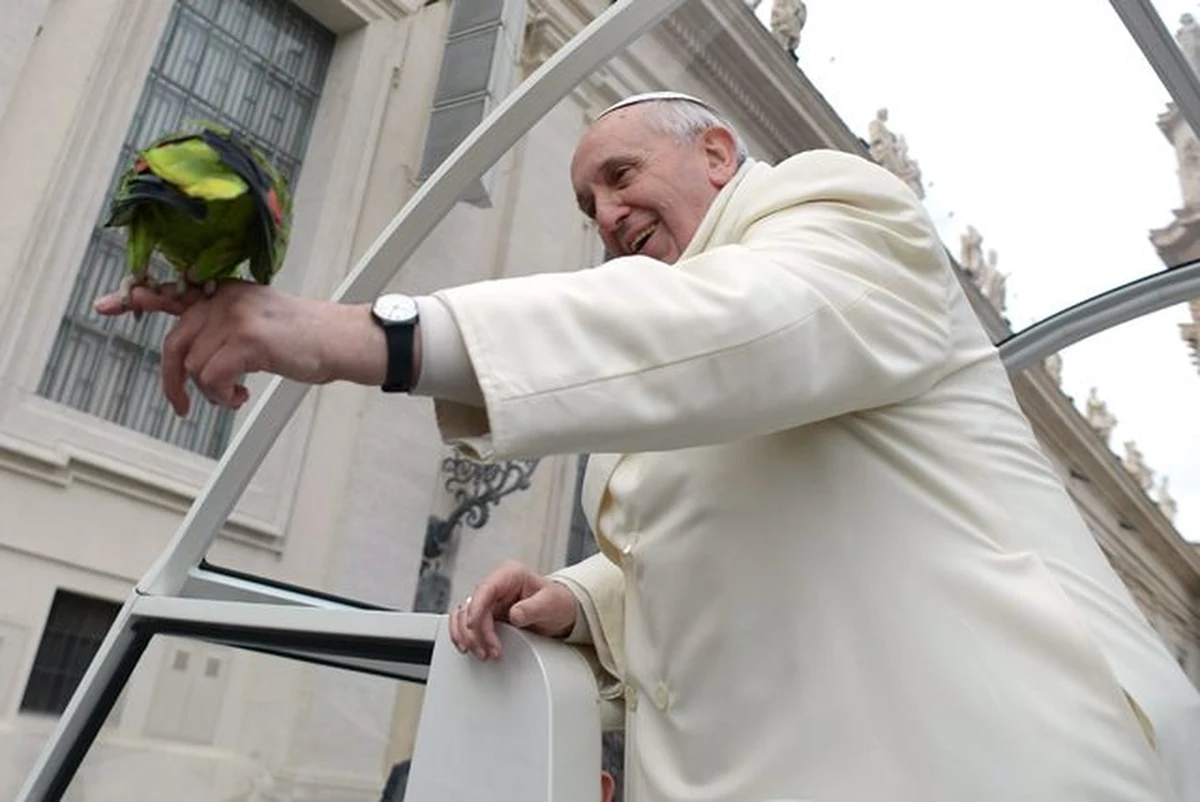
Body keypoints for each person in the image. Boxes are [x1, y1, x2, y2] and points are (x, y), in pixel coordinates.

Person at [98, 92, 1200, 802]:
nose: (606, 214)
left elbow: (728, 330)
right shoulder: (694, 355)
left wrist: (352, 335)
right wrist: (585, 599)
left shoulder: (841, 218)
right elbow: (740, 549)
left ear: (719, 151)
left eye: (622, 175)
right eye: (585, 202)